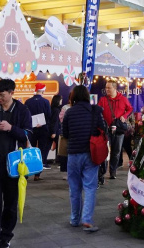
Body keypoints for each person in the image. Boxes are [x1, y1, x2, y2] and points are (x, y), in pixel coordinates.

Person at [0, 79, 33, 248]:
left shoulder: (23, 111)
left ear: (11, 93)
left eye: (2, 95)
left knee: (10, 205)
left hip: (14, 166)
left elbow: (28, 135)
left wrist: (11, 128)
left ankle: (5, 238)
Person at [62, 84, 106, 232]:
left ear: (73, 97)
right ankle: (87, 219)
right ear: (87, 96)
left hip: (73, 154)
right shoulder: (95, 111)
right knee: (90, 187)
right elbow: (103, 129)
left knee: (74, 188)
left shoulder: (69, 112)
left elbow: (65, 134)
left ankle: (75, 219)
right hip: (91, 153)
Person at [97, 82, 132, 181]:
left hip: (118, 129)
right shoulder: (103, 100)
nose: (106, 90)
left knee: (116, 152)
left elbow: (130, 109)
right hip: (106, 129)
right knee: (104, 151)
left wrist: (124, 116)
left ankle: (113, 171)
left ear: (115, 88)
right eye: (106, 88)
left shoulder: (123, 99)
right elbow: (98, 111)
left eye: (109, 88)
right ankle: (102, 173)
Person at [24, 83, 51, 179]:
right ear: (43, 91)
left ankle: (26, 172)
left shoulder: (28, 101)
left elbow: (25, 115)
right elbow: (49, 116)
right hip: (43, 129)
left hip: (31, 129)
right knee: (41, 150)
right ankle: (37, 174)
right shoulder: (46, 102)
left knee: (29, 150)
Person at [49, 94, 63, 170]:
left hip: (54, 130)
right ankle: (59, 161)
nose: (61, 101)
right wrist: (54, 132)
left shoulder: (52, 109)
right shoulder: (56, 110)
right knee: (59, 146)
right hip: (56, 131)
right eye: (60, 100)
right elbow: (55, 121)